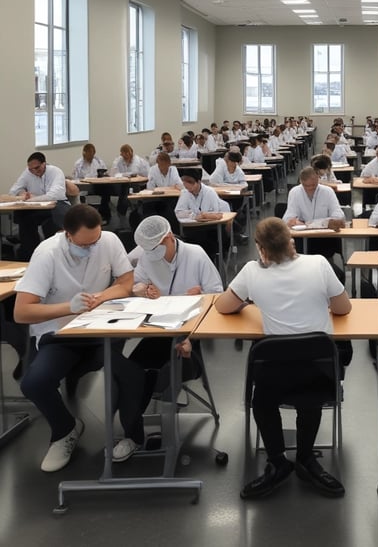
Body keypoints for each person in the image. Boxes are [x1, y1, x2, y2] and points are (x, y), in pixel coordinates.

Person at [215, 218, 351, 499]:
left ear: (260, 249)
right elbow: (343, 308)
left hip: (274, 375)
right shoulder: (318, 264)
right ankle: (305, 459)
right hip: (319, 371)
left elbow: (222, 306)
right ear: (292, 241)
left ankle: (278, 461)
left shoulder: (252, 272)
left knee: (261, 403)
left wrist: (247, 299)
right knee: (310, 399)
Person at [14, 204, 146, 471]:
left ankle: (133, 436)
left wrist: (100, 297)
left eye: (94, 242)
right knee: (34, 383)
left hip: (100, 329)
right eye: (84, 245)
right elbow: (21, 312)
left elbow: (126, 282)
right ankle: (66, 430)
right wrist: (68, 307)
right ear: (67, 234)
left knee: (130, 374)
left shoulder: (107, 241)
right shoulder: (47, 254)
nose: (90, 249)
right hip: (60, 334)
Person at [129, 216, 223, 418]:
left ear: (169, 237)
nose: (153, 255)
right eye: (148, 250)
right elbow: (136, 284)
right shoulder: (146, 258)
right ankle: (133, 427)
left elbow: (217, 294)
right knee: (133, 368)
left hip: (191, 329)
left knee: (173, 367)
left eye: (156, 249)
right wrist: (143, 290)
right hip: (159, 329)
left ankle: (164, 408)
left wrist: (202, 297)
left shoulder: (195, 254)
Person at [8, 152, 71, 261]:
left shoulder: (55, 171)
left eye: (37, 168)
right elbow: (13, 191)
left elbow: (55, 195)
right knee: (23, 218)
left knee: (51, 222)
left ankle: (54, 257)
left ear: (44, 164)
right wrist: (22, 194)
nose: (34, 171)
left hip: (58, 204)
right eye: (31, 169)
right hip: (37, 206)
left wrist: (33, 198)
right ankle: (30, 256)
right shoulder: (28, 173)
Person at [283, 166, 346, 274]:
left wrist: (320, 223)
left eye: (314, 185)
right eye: (307, 186)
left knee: (325, 262)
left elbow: (339, 215)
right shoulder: (295, 192)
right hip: (302, 237)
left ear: (318, 179)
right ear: (301, 182)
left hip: (324, 237)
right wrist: (293, 221)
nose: (311, 188)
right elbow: (288, 217)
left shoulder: (327, 191)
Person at [175, 169, 230, 261]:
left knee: (204, 238)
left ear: (198, 182)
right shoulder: (185, 193)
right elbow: (179, 212)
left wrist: (205, 215)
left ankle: (208, 259)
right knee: (191, 237)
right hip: (193, 226)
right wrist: (193, 216)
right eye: (185, 186)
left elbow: (215, 212)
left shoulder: (209, 192)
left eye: (190, 185)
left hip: (211, 227)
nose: (188, 189)